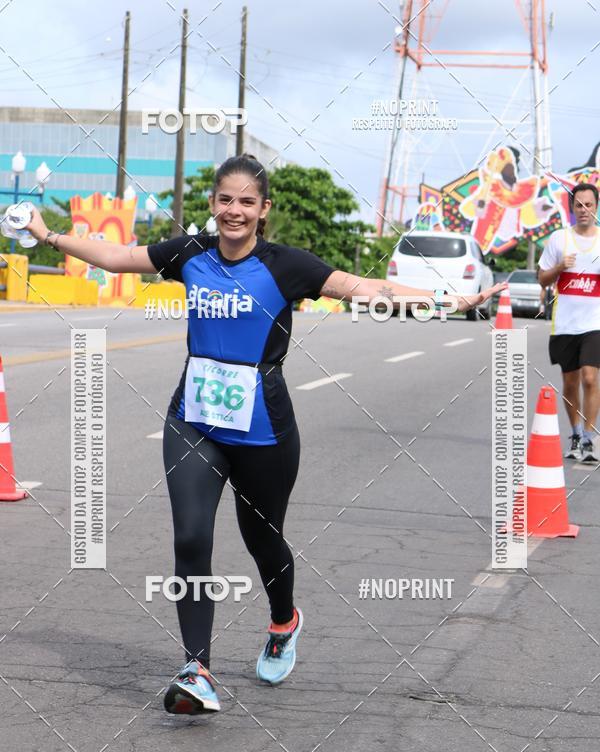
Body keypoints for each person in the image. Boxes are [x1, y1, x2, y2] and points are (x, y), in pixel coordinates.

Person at [25, 154, 507, 716]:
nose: (234, 211)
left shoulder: (287, 266)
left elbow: (361, 287)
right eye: (225, 200)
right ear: (212, 204)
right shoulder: (189, 253)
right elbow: (115, 255)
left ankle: (284, 620)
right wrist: (47, 234)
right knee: (189, 538)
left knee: (263, 540)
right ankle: (196, 668)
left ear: (263, 210)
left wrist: (445, 300)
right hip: (193, 420)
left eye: (246, 202)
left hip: (263, 429)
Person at [538, 182, 600, 463]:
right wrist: (560, 267)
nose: (584, 210)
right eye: (579, 205)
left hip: (594, 323)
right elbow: (543, 279)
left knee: (590, 377)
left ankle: (589, 439)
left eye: (589, 204)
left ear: (596, 207)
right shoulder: (558, 240)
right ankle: (575, 432)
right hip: (564, 324)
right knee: (570, 381)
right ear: (572, 208)